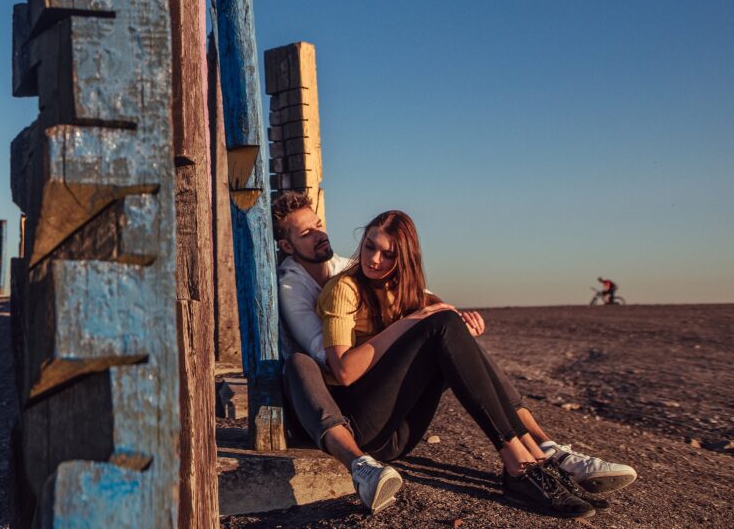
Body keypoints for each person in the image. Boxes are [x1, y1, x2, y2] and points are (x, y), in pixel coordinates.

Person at [316, 210, 637, 518]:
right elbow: (344, 372)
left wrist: (457, 320)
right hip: (362, 422)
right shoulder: (344, 289)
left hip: (399, 428)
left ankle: (535, 457)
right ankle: (519, 464)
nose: (374, 259)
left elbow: (441, 314)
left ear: (404, 258)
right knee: (441, 326)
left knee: (448, 327)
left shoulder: (404, 290)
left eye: (387, 254)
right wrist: (415, 320)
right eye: (370, 246)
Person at [273, 190, 404, 513]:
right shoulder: (291, 286)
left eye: (318, 225)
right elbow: (322, 351)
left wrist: (441, 310)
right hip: (314, 401)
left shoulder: (345, 267)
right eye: (306, 233)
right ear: (287, 246)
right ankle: (361, 468)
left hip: (357, 386)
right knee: (299, 363)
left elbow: (409, 291)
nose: (320, 235)